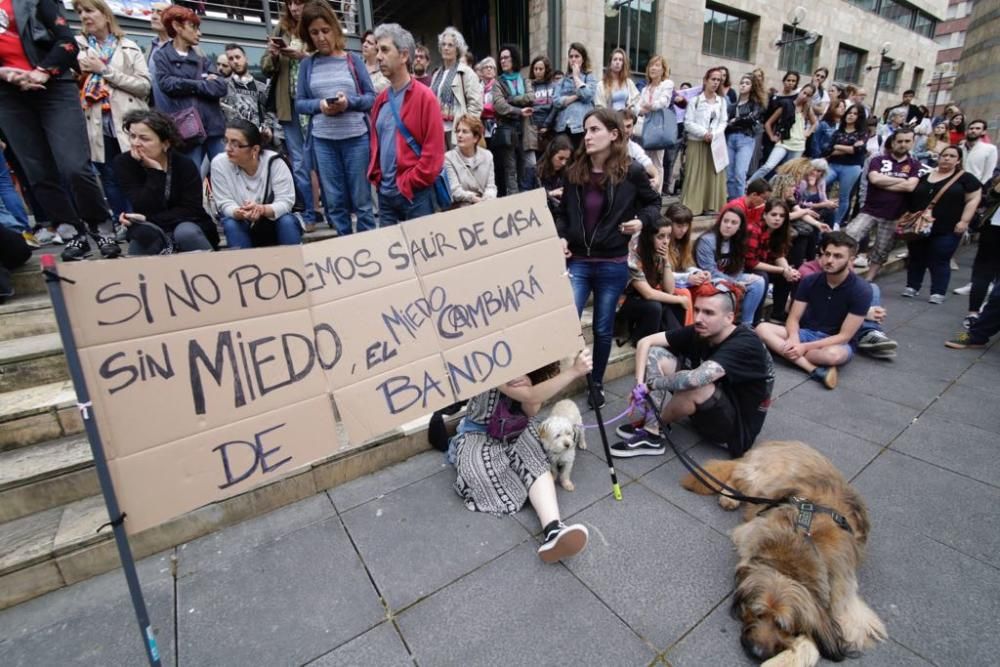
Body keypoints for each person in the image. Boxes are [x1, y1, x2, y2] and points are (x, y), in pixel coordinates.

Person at [554, 108, 660, 408]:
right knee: (566, 320)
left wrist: (641, 222)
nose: (587, 136)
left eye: (594, 130)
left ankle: (595, 382)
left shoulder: (632, 172)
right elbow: (562, 214)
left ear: (614, 134)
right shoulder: (573, 171)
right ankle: (552, 378)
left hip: (612, 264)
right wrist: (562, 236)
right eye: (585, 131)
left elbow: (654, 205)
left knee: (602, 328)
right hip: (577, 261)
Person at [0, 0, 120, 260]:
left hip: (53, 87)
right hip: (8, 95)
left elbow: (66, 42)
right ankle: (71, 233)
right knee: (38, 173)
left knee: (74, 166)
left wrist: (43, 71)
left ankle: (101, 226)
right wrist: (5, 73)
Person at [451, 350, 594, 563]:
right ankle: (525, 490)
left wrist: (529, 381)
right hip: (478, 432)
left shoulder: (539, 363)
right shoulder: (487, 355)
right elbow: (530, 396)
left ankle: (554, 528)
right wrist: (574, 371)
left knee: (536, 456)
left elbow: (531, 408)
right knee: (480, 470)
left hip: (515, 428)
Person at [612, 281, 774, 458]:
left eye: (708, 313)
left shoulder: (745, 343)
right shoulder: (702, 330)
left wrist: (650, 385)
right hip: (713, 407)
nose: (698, 318)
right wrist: (639, 385)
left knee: (695, 383)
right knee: (655, 354)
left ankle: (653, 432)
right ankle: (652, 425)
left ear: (729, 318)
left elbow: (694, 379)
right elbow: (646, 342)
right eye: (697, 310)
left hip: (735, 430)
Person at [295, 1, 375, 236]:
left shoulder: (353, 61)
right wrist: (320, 105)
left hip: (356, 138)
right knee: (335, 201)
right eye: (314, 32)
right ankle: (345, 248)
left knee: (362, 200)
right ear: (308, 35)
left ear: (334, 29)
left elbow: (370, 97)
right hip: (323, 141)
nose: (321, 37)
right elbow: (300, 103)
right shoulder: (307, 65)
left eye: (325, 30)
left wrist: (348, 102)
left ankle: (370, 247)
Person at [756, 232, 871, 390]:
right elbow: (793, 318)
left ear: (851, 260)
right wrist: (794, 339)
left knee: (832, 356)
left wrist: (804, 347)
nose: (830, 260)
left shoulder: (862, 290)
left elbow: (845, 336)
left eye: (838, 256)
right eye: (827, 254)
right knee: (762, 328)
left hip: (834, 342)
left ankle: (787, 352)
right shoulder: (810, 280)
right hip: (806, 333)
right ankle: (813, 369)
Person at [73, 0, 151, 225]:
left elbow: (144, 86)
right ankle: (123, 222)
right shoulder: (75, 47)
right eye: (79, 12)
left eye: (89, 10)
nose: (84, 16)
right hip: (95, 123)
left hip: (129, 122)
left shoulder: (128, 45)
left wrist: (104, 71)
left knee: (138, 172)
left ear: (106, 15)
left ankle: (146, 220)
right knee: (109, 176)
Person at [368, 23, 445, 225]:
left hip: (415, 196)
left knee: (423, 256)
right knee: (390, 256)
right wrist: (377, 177)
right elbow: (376, 143)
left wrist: (410, 182)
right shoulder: (380, 100)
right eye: (377, 50)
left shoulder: (425, 97)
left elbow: (434, 154)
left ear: (403, 56)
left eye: (384, 50)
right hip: (385, 196)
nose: (378, 56)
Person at [112, 109, 218, 255]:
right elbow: (141, 204)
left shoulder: (184, 164)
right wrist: (155, 172)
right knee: (144, 236)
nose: (136, 143)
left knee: (185, 232)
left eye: (144, 138)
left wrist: (147, 218)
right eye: (132, 136)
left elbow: (191, 209)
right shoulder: (124, 163)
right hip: (151, 228)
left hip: (189, 224)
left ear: (165, 144)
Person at [262, 0, 319, 231]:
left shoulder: (317, 24)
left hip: (315, 103)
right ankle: (309, 214)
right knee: (299, 162)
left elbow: (329, 58)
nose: (295, 8)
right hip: (290, 106)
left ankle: (332, 210)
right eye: (291, 4)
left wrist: (303, 56)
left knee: (321, 158)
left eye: (299, 3)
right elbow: (266, 67)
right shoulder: (280, 29)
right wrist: (275, 55)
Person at [901, 145, 981, 303]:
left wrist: (964, 221)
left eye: (952, 156)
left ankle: (938, 291)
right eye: (944, 155)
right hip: (920, 226)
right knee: (916, 256)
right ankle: (912, 286)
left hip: (948, 226)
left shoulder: (966, 178)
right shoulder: (925, 175)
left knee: (940, 258)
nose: (947, 158)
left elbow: (973, 199)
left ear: (958, 160)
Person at [152, 5, 227, 174]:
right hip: (188, 131)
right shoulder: (162, 55)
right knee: (190, 180)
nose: (198, 33)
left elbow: (221, 87)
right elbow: (167, 85)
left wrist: (188, 85)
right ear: (177, 27)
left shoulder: (202, 56)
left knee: (228, 175)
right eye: (193, 27)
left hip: (213, 127)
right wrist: (200, 83)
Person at [844, 128, 921, 281]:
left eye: (907, 141)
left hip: (894, 214)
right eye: (899, 141)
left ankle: (869, 279)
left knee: (882, 248)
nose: (903, 144)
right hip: (870, 209)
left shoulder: (915, 164)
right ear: (893, 142)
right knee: (849, 236)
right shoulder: (877, 160)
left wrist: (885, 181)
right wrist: (902, 181)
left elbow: (910, 187)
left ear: (912, 142)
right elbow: (874, 180)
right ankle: (847, 272)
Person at [211, 120, 301, 249]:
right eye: (226, 141)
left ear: (255, 149)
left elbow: (286, 202)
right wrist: (238, 212)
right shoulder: (219, 163)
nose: (227, 148)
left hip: (273, 222)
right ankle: (243, 267)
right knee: (231, 223)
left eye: (235, 144)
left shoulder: (275, 162)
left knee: (287, 221)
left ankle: (294, 263)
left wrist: (262, 209)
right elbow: (224, 202)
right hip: (242, 223)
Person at [618, 215, 694, 345]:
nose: (666, 241)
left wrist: (666, 261)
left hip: (642, 300)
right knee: (656, 306)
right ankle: (642, 342)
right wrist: (679, 299)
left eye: (668, 236)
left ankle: (678, 343)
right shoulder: (633, 255)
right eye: (660, 236)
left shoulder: (658, 253)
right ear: (648, 237)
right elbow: (648, 293)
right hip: (622, 303)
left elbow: (669, 289)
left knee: (674, 302)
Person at [694, 207, 766, 326]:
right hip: (711, 279)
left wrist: (737, 280)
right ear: (720, 222)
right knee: (726, 287)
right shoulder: (707, 240)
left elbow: (739, 266)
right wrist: (734, 282)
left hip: (730, 277)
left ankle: (746, 324)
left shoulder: (738, 241)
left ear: (739, 227)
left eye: (734, 223)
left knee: (759, 282)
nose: (728, 225)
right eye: (725, 221)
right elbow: (710, 270)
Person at [682, 67, 729, 215]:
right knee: (694, 174)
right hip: (696, 142)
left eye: (718, 80)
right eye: (713, 79)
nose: (715, 83)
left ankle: (710, 205)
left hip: (715, 143)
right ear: (705, 80)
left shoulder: (721, 102)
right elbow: (688, 122)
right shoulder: (695, 101)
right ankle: (692, 206)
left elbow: (723, 121)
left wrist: (713, 134)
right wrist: (704, 133)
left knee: (713, 174)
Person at [749, 83, 817, 183]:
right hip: (784, 142)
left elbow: (815, 122)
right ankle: (749, 184)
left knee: (788, 172)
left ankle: (775, 191)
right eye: (804, 93)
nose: (804, 96)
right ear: (800, 91)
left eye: (808, 95)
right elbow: (768, 123)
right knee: (768, 166)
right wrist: (772, 136)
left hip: (798, 145)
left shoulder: (807, 109)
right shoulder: (786, 104)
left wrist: (808, 132)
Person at [429, 27, 482, 148]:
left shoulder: (466, 72)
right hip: (438, 130)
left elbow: (475, 105)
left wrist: (467, 129)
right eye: (443, 44)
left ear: (457, 49)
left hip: (458, 131)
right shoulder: (437, 74)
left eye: (450, 45)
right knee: (443, 165)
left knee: (460, 165)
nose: (446, 48)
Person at [961, 175, 1000, 329]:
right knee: (983, 274)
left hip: (992, 229)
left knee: (987, 275)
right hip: (993, 230)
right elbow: (990, 197)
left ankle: (980, 314)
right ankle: (973, 313)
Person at [754, 198, 800, 322]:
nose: (777, 219)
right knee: (762, 277)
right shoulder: (754, 230)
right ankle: (755, 319)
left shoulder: (779, 232)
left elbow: (779, 255)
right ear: (764, 215)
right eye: (773, 214)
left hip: (764, 265)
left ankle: (778, 314)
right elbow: (751, 263)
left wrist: (787, 270)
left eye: (781, 216)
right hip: (747, 268)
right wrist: (782, 270)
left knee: (791, 275)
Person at [824, 103, 869, 227]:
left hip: (851, 167)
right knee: (821, 183)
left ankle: (836, 223)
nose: (851, 116)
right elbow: (828, 150)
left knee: (844, 195)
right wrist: (848, 148)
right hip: (833, 165)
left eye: (855, 114)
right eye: (849, 113)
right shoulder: (838, 132)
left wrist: (837, 146)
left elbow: (858, 151)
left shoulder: (862, 133)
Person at [637, 55, 676, 194]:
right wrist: (644, 108)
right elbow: (638, 108)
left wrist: (648, 106)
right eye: (651, 65)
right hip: (646, 127)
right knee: (644, 159)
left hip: (659, 127)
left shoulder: (667, 84)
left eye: (657, 65)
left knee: (658, 161)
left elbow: (663, 103)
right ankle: (645, 191)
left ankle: (657, 194)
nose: (653, 68)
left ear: (663, 69)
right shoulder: (645, 88)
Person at [725, 72, 766, 201]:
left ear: (752, 87)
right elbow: (725, 122)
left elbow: (751, 119)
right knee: (730, 174)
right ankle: (733, 200)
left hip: (746, 138)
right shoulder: (733, 105)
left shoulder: (755, 104)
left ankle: (741, 201)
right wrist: (734, 122)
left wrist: (735, 121)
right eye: (742, 83)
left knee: (740, 173)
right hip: (731, 138)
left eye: (747, 83)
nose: (743, 86)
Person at [443, 114, 496, 206]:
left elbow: (491, 186)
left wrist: (488, 198)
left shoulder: (487, 156)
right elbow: (455, 190)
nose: (459, 135)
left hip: (485, 205)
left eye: (465, 132)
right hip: (462, 208)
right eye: (458, 131)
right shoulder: (448, 158)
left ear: (475, 138)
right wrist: (474, 198)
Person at [552, 42, 596, 150]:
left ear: (583, 59)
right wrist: (577, 95)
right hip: (563, 127)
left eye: (577, 56)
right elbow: (556, 102)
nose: (573, 59)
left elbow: (587, 96)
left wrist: (576, 77)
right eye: (571, 56)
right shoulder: (562, 80)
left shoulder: (589, 77)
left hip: (581, 127)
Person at [523, 55, 556, 188]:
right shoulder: (529, 85)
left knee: (548, 160)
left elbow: (555, 107)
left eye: (540, 69)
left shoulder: (553, 85)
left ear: (546, 70)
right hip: (532, 127)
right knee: (532, 163)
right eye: (535, 69)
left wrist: (547, 125)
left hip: (548, 129)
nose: (537, 71)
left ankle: (547, 189)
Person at [221, 44, 268, 134]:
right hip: (232, 137)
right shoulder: (223, 85)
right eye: (231, 59)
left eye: (238, 57)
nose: (235, 61)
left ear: (246, 58)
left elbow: (269, 113)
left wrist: (267, 129)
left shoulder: (261, 88)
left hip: (255, 137)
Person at [620, 109, 659, 189]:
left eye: (628, 126)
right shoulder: (605, 143)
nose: (625, 130)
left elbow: (647, 163)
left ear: (633, 127)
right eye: (622, 126)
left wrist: (656, 177)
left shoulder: (634, 147)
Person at [534, 133, 571, 214]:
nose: (564, 163)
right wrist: (551, 193)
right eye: (560, 158)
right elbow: (526, 197)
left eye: (566, 159)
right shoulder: (534, 171)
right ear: (551, 154)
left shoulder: (566, 173)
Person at [595, 47, 639, 114]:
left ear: (623, 64)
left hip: (625, 119)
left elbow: (637, 99)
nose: (617, 62)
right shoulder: (601, 84)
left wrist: (630, 108)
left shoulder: (628, 82)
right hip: (610, 120)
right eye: (615, 59)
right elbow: (599, 107)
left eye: (620, 60)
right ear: (610, 63)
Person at [146, 2, 172, 108]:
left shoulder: (183, 46)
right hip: (153, 113)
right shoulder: (150, 47)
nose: (153, 16)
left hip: (177, 114)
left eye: (159, 12)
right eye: (152, 11)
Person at [962, 120, 998, 185]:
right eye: (971, 128)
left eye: (978, 128)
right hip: (956, 185)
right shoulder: (960, 148)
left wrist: (980, 186)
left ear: (983, 132)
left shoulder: (990, 149)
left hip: (975, 185)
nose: (973, 131)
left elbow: (988, 172)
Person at [359, 29, 389, 94]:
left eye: (369, 43)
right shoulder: (356, 66)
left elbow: (380, 88)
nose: (364, 45)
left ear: (378, 47)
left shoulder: (385, 69)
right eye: (364, 41)